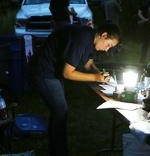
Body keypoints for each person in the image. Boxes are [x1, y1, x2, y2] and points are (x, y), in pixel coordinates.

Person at [28, 23, 121, 156]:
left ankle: (55, 149)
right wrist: (96, 77)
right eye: (108, 45)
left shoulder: (91, 37)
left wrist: (100, 74)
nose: (107, 50)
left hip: (53, 71)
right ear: (104, 35)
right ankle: (59, 152)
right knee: (60, 110)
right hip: (43, 70)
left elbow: (88, 63)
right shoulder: (81, 38)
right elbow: (68, 73)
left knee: (58, 111)